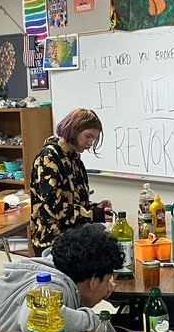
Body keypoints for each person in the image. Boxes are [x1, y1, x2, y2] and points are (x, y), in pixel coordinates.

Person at [0, 223, 123, 332]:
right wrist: (94, 320)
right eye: (107, 281)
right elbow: (36, 319)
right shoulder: (53, 286)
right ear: (93, 282)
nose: (110, 287)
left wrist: (103, 290)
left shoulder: (54, 265)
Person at [30, 108, 113, 255]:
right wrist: (93, 214)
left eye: (93, 139)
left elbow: (77, 201)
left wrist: (95, 207)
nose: (89, 143)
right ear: (74, 129)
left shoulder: (74, 158)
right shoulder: (49, 157)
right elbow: (55, 207)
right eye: (88, 136)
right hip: (52, 239)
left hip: (73, 233)